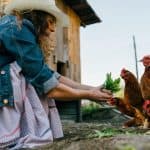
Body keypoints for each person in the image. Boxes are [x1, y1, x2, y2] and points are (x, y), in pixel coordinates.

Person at [0, 0, 112, 149]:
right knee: (31, 81)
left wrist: (91, 89)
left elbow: (50, 75)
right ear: (38, 17)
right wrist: (88, 95)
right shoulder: (18, 29)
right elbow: (50, 86)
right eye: (51, 21)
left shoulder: (19, 29)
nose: (53, 29)